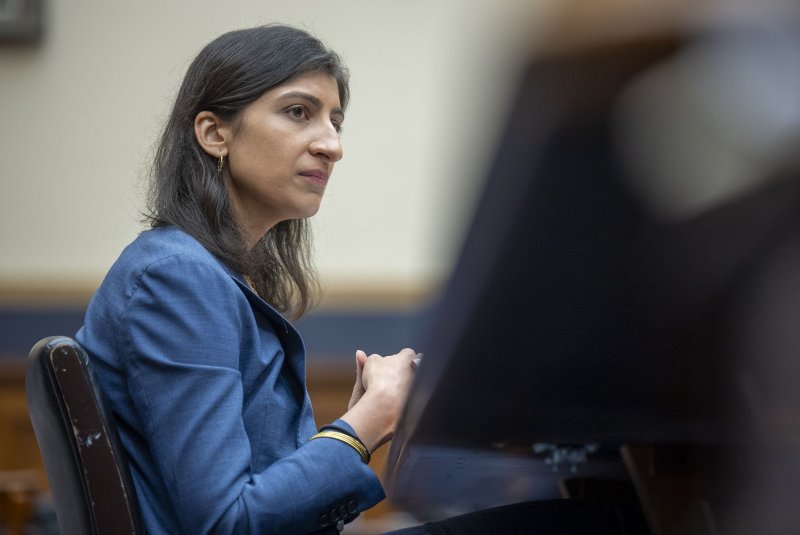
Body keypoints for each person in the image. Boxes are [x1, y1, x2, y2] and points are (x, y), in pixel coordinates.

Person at [76, 24, 419, 534]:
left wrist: (351, 427)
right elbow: (226, 524)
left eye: (336, 121)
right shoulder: (176, 278)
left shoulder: (205, 272)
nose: (332, 145)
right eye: (298, 112)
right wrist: (368, 424)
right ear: (215, 133)